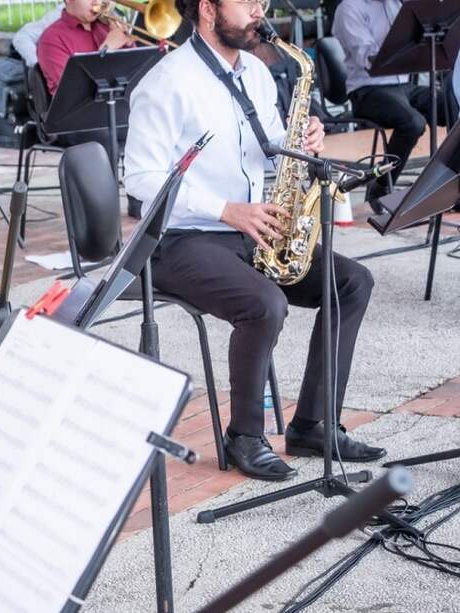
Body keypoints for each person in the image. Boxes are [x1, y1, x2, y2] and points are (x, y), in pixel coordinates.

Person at [124, 0, 385, 481]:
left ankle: (313, 425)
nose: (259, 12)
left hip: (249, 227)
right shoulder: (166, 83)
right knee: (265, 304)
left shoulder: (259, 75)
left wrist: (302, 143)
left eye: (261, 2)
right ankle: (244, 435)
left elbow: (268, 157)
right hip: (181, 239)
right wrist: (225, 210)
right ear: (207, 9)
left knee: (352, 281)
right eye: (246, 3)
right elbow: (140, 179)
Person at [333, 0, 453, 209]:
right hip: (367, 90)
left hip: (403, 85)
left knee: (453, 105)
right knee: (413, 123)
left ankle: (452, 181)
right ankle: (380, 184)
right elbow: (367, 58)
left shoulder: (396, 4)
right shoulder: (349, 7)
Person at [36, 0, 133, 96]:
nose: (97, 2)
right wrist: (107, 49)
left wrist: (126, 42)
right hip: (83, 110)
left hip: (123, 106)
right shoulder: (51, 39)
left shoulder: (108, 27)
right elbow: (71, 91)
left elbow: (136, 73)